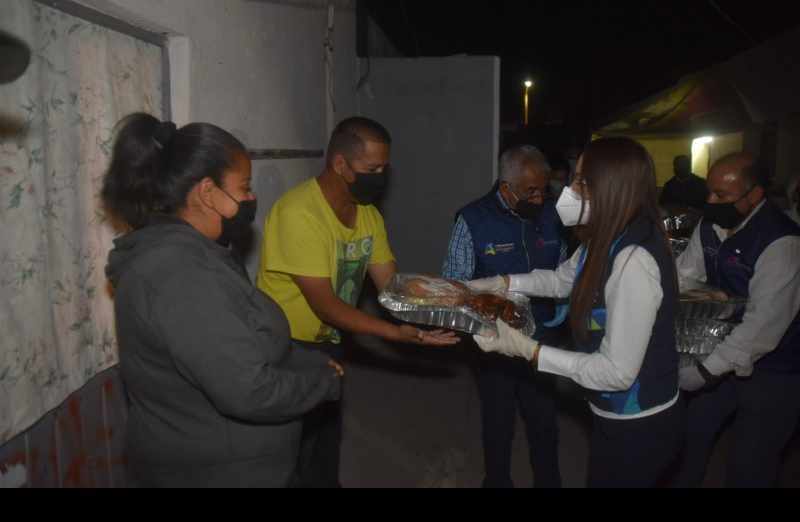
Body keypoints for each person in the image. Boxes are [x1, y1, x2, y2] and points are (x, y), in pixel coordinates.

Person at [102, 113, 343, 488]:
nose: (251, 198)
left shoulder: (203, 253)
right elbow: (250, 391)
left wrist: (307, 360)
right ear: (208, 193)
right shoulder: (181, 275)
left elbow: (242, 337)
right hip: (212, 473)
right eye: (244, 187)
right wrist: (323, 382)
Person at [468, 137, 684, 488]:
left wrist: (530, 351)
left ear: (611, 188)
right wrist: (502, 282)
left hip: (639, 423)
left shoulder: (633, 261)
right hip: (608, 414)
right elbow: (560, 280)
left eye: (581, 181)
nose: (568, 189)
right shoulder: (606, 237)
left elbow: (616, 373)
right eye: (573, 177)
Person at [256, 116, 459, 488]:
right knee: (294, 450)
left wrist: (459, 300)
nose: (380, 177)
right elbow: (325, 305)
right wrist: (395, 334)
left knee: (326, 438)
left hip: (329, 339)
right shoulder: (300, 214)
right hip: (286, 346)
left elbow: (392, 288)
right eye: (372, 168)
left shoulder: (367, 214)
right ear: (340, 164)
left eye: (384, 168)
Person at [670, 152, 800, 487]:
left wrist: (704, 370)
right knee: (688, 436)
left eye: (721, 194)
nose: (711, 202)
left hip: (776, 366)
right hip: (720, 347)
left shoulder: (782, 242)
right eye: (709, 192)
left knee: (750, 463)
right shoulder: (710, 225)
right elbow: (684, 277)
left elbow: (762, 328)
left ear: (754, 194)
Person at [442, 145, 564, 488]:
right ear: (507, 189)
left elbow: (564, 267)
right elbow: (456, 285)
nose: (539, 199)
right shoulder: (473, 221)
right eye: (531, 192)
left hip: (542, 334)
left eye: (543, 191)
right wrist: (486, 317)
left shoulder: (553, 214)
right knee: (498, 423)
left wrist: (564, 304)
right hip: (496, 339)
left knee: (544, 422)